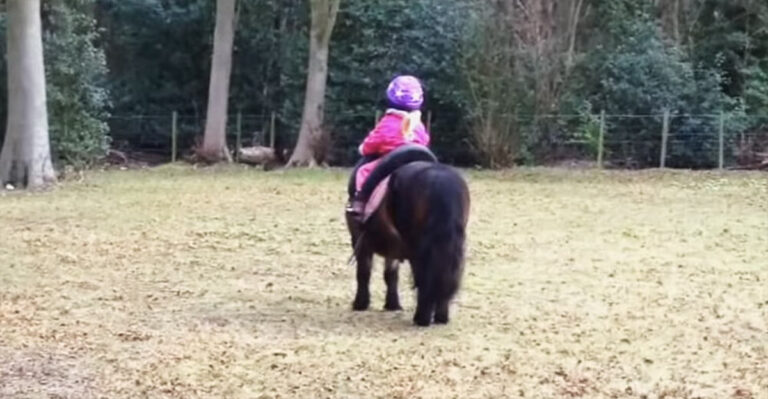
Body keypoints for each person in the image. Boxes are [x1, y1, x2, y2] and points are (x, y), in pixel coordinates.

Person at [346, 75, 430, 221]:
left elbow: (371, 144)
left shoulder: (388, 121)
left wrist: (362, 148)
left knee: (363, 171)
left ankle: (361, 201)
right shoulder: (418, 123)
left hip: (391, 160)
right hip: (418, 160)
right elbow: (425, 140)